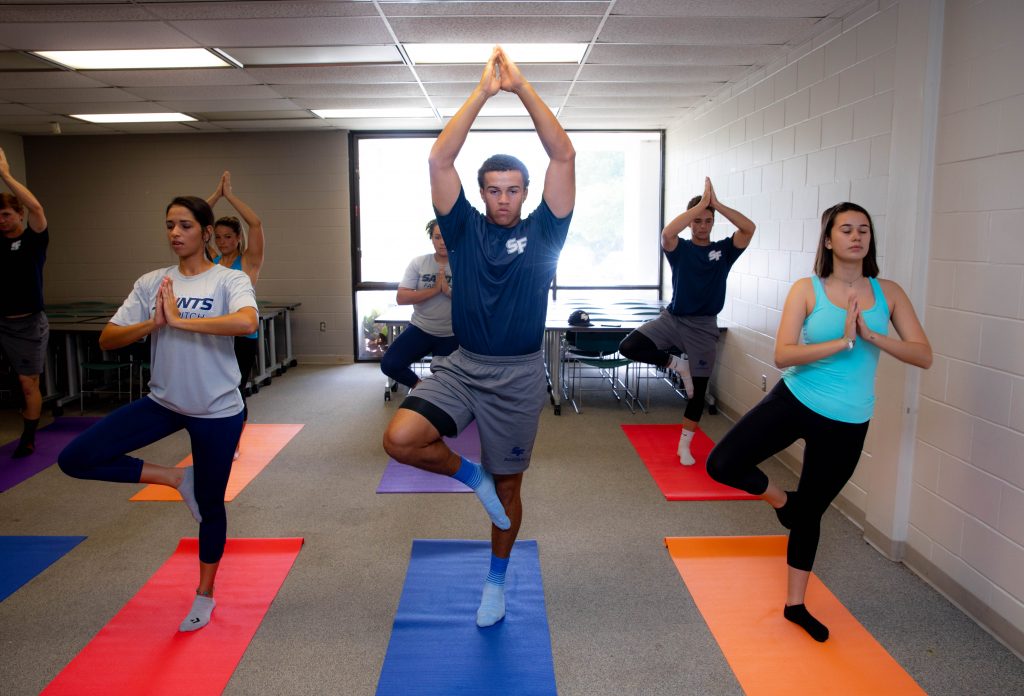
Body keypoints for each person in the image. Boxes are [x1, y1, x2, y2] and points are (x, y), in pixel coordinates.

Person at [382, 46, 575, 627]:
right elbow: (441, 161)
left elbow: (563, 154)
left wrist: (520, 87)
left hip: (517, 374)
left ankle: (496, 581)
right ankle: (473, 478)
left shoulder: (546, 233)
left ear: (525, 193)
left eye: (513, 189)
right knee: (400, 438)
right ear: (483, 194)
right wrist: (484, 93)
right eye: (493, 189)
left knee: (511, 488)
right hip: (463, 366)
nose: (504, 198)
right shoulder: (461, 230)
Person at [705, 202, 932, 642]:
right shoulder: (806, 289)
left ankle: (795, 605)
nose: (856, 236)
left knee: (811, 514)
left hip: (848, 418)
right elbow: (783, 353)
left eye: (863, 229)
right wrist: (841, 342)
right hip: (796, 397)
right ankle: (781, 502)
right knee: (723, 464)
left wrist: (872, 336)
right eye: (846, 229)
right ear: (828, 239)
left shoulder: (891, 293)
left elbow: (923, 355)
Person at [58, 196, 258, 632]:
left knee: (210, 506)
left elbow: (246, 323)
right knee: (75, 459)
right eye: (169, 225)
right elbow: (109, 338)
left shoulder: (227, 281)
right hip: (163, 401)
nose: (174, 233)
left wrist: (180, 321)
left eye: (185, 225)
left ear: (206, 233)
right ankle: (173, 478)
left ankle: (204, 595)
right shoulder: (153, 282)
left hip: (218, 410)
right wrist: (154, 323)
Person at [618, 177, 755, 465]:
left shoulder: (723, 252)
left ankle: (684, 445)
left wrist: (715, 204)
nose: (703, 225)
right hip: (673, 319)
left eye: (708, 220)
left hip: (704, 326)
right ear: (690, 222)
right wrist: (699, 206)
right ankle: (677, 365)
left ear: (713, 223)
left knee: (699, 391)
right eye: (698, 220)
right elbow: (667, 233)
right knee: (629, 345)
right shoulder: (680, 250)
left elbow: (748, 228)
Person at [206, 171, 265, 458]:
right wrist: (214, 197)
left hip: (243, 333)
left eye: (227, 237)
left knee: (236, 388)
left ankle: (235, 441)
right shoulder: (211, 261)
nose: (222, 242)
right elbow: (194, 221)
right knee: (214, 388)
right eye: (217, 237)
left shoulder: (249, 261)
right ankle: (217, 434)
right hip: (217, 334)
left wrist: (229, 196)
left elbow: (255, 222)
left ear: (237, 237)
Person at [0, 147, 49, 459]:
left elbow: (37, 207)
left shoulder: (32, 240)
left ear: (18, 214)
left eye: (6, 214)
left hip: (28, 323)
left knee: (27, 383)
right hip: (0, 321)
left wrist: (5, 176)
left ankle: (28, 437)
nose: (2, 221)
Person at [380, 219, 458, 391]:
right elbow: (401, 297)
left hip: (451, 334)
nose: (442, 241)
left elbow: (474, 300)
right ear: (431, 239)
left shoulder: (464, 264)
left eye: (446, 236)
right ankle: (421, 388)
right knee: (390, 364)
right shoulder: (419, 263)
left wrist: (448, 291)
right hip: (420, 329)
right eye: (437, 237)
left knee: (447, 382)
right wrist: (435, 290)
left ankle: (437, 399)